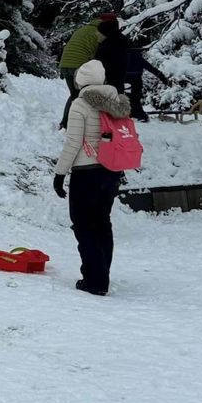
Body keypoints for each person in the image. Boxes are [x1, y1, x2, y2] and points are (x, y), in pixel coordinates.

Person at [53, 59, 130, 296]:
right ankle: (102, 274)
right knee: (102, 223)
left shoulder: (81, 104)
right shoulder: (116, 101)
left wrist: (59, 174)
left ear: (81, 81)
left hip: (87, 174)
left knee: (84, 226)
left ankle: (94, 280)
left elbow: (74, 143)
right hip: (111, 171)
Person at [58, 14, 112, 129]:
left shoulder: (83, 29)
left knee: (75, 95)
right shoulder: (99, 33)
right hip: (78, 66)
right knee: (79, 96)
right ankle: (71, 124)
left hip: (66, 64)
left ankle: (66, 123)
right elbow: (97, 54)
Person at [126, 45, 169, 122]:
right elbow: (150, 68)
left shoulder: (123, 57)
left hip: (125, 80)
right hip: (136, 80)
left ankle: (133, 112)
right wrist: (162, 77)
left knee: (129, 97)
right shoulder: (139, 58)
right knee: (136, 97)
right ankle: (139, 114)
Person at [93, 15, 131, 94]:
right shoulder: (117, 44)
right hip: (115, 90)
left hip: (106, 91)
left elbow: (98, 70)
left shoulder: (107, 49)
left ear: (105, 33)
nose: (96, 34)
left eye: (99, 31)